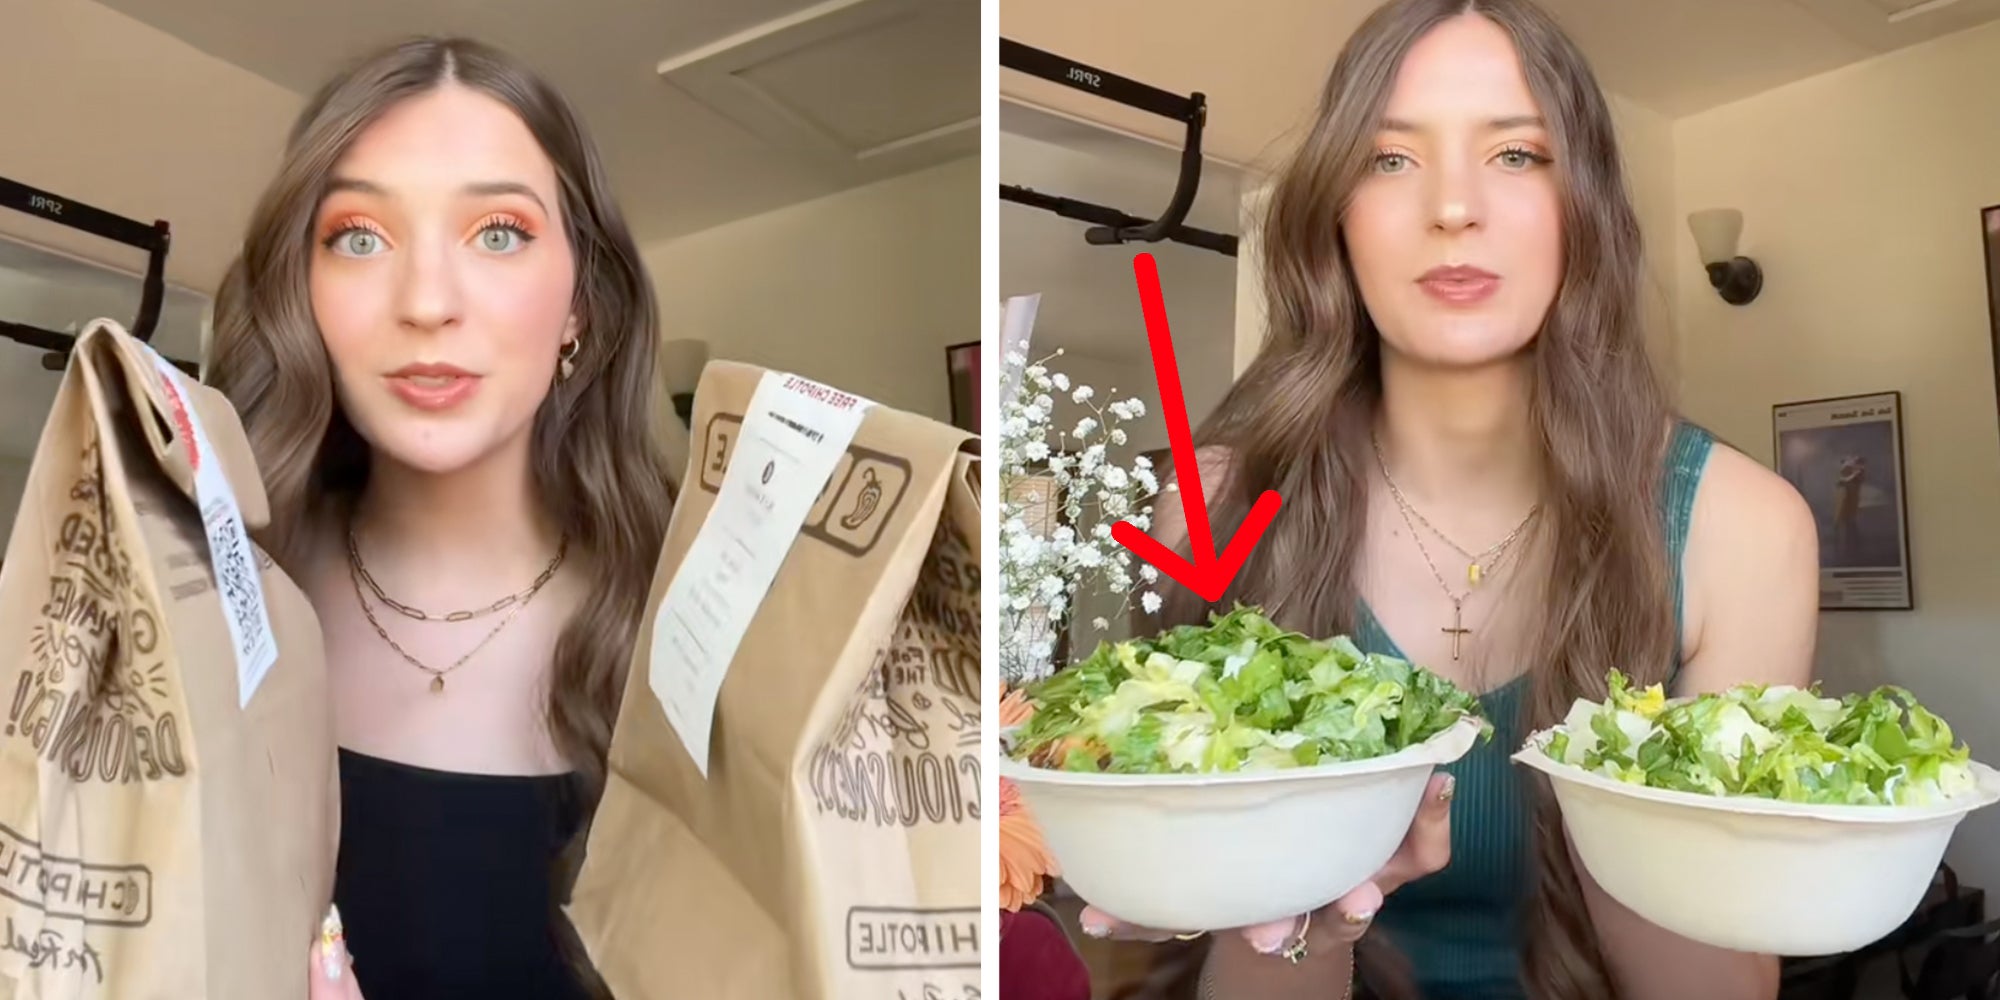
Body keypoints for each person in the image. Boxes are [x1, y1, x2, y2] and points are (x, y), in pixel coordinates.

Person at [1077, 2, 1819, 999]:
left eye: (1515, 155)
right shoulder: (1213, 502)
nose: (1453, 208)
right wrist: (1319, 905)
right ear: (1333, 213)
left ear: (1582, 202)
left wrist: (1618, 804)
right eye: (1389, 159)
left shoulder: (1742, 530)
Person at [203, 36, 676, 1000]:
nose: (425, 302)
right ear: (302, 288)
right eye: (359, 237)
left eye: (497, 231)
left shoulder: (697, 638)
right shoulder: (209, 603)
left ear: (581, 298)